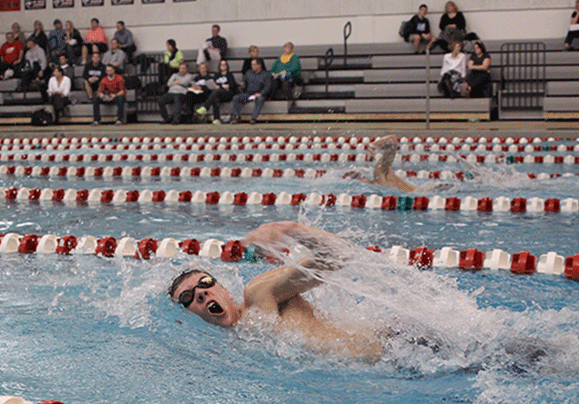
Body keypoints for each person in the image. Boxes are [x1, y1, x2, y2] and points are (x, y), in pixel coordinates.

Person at [167, 221, 383, 359]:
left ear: (224, 291)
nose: (201, 293)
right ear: (188, 316)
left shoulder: (259, 294)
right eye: (188, 297)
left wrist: (292, 230)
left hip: (393, 351)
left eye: (205, 282)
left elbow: (336, 257)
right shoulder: (240, 340)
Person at [342, 135, 416, 192]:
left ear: (360, 179)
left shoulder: (379, 174)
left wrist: (371, 146)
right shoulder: (380, 182)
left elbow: (393, 139)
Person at [230, 58, 271, 124]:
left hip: (259, 94)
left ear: (259, 65)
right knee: (236, 98)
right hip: (249, 94)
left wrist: (261, 93)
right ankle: (237, 116)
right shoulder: (248, 73)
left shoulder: (266, 74)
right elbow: (244, 82)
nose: (252, 66)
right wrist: (242, 85)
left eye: (254, 64)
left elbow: (267, 87)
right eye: (252, 64)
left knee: (260, 99)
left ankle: (253, 118)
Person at [198, 58, 238, 124]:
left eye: (224, 64)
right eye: (221, 64)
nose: (223, 66)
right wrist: (222, 86)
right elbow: (214, 84)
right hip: (219, 93)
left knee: (217, 91)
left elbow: (231, 85)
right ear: (219, 66)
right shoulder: (217, 75)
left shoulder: (230, 74)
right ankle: (216, 119)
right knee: (215, 96)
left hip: (228, 94)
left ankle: (205, 107)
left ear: (227, 66)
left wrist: (220, 86)